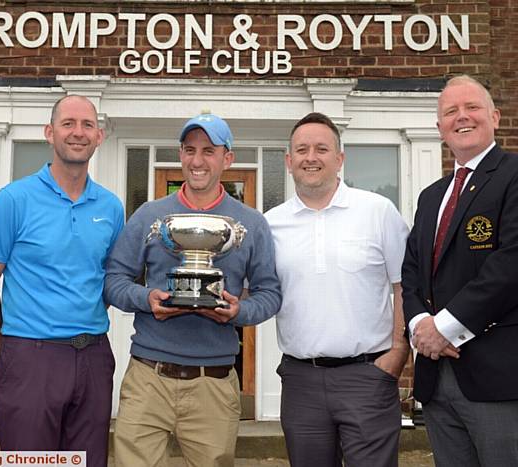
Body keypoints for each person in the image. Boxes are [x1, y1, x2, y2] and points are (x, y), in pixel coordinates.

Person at [104, 112, 282, 467]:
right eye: (189, 150)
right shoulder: (151, 216)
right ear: (181, 155)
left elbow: (269, 293)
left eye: (208, 151)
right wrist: (147, 299)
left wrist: (239, 312)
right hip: (148, 377)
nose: (197, 161)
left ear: (227, 158)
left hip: (212, 383)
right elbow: (114, 280)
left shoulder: (250, 223)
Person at [0, 95, 123, 467]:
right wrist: (9, 344)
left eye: (87, 125)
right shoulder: (14, 200)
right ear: (49, 133)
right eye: (68, 123)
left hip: (94, 357)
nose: (78, 132)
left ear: (99, 136)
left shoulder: (111, 207)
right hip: (30, 357)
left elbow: (108, 280)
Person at [265, 112, 410, 467]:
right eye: (301, 149)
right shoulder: (270, 224)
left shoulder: (377, 211)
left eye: (321, 149)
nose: (310, 157)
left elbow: (404, 285)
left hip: (368, 376)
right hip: (301, 380)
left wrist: (398, 352)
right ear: (288, 161)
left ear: (340, 158)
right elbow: (258, 291)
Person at [402, 75, 518, 466]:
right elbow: (413, 271)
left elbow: (510, 265)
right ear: (440, 128)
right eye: (451, 111)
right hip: (437, 378)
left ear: (495, 117)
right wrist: (421, 325)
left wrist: (444, 327)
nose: (461, 117)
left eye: (471, 108)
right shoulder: (432, 195)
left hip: (498, 377)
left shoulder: (513, 176)